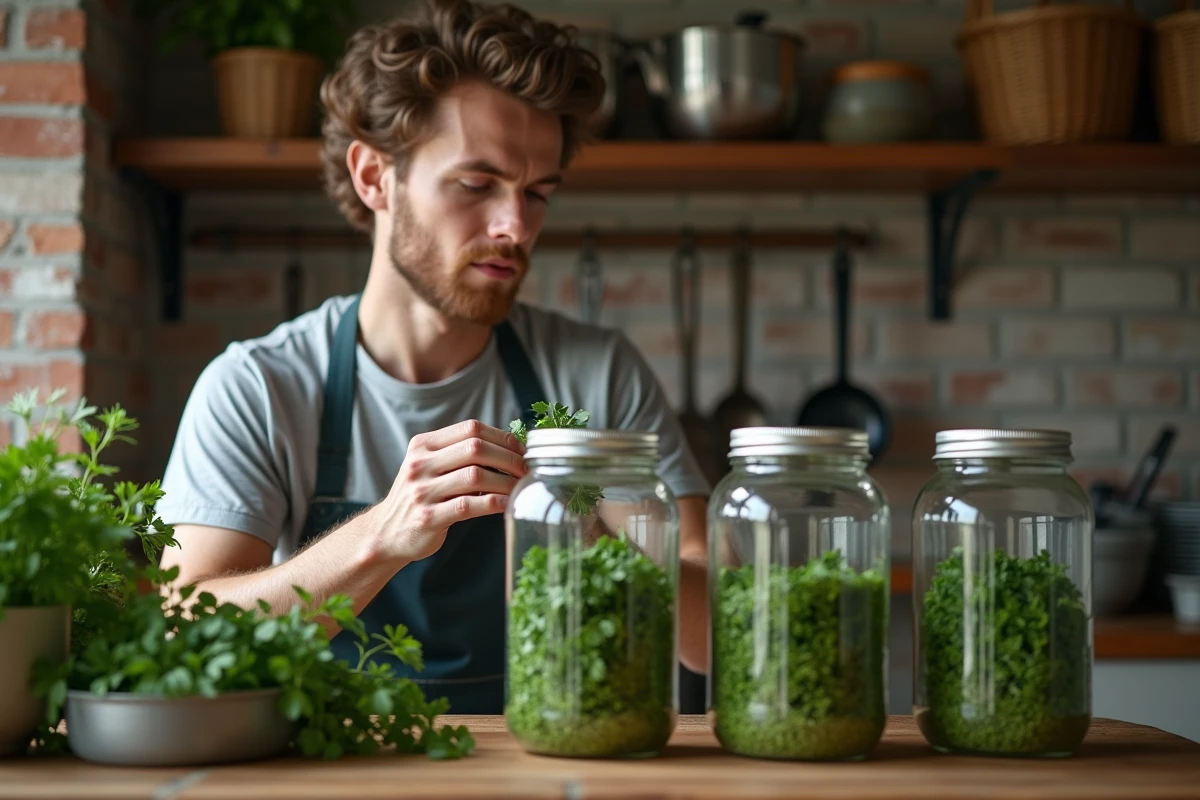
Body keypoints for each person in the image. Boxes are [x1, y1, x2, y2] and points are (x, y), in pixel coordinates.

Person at [156, 0, 711, 715]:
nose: (516, 227)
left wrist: (595, 532)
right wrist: (381, 538)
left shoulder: (597, 376)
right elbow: (185, 635)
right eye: (477, 185)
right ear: (374, 177)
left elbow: (713, 637)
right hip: (333, 767)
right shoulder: (259, 387)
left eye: (537, 193)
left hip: (555, 761)